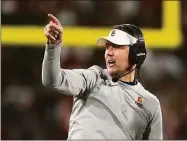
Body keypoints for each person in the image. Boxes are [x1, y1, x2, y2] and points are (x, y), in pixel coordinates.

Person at [42, 14, 163, 140]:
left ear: (136, 54)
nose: (109, 52)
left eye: (116, 47)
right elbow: (53, 80)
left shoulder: (150, 104)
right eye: (107, 47)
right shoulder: (93, 77)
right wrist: (53, 47)